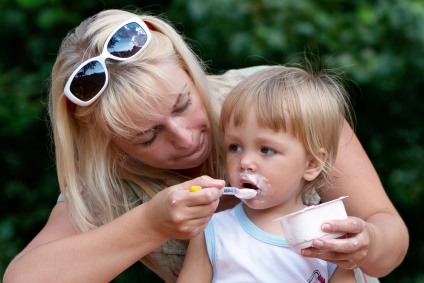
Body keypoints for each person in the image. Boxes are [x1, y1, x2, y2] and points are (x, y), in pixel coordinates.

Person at [3, 9, 407, 283]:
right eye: (148, 136)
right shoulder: (109, 183)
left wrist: (367, 243)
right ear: (109, 144)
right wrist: (151, 223)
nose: (184, 138)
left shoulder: (281, 104)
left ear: (189, 68)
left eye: (183, 104)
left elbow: (388, 236)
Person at [178, 65, 358, 283]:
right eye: (235, 147)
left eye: (266, 149)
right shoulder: (211, 231)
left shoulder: (330, 234)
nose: (244, 162)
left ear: (311, 164)